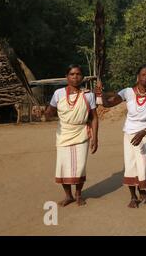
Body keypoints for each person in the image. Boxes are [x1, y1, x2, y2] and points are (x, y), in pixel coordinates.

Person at [96, 65, 146, 208]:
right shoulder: (127, 92)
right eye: (143, 75)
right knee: (131, 164)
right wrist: (101, 94)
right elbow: (109, 104)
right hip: (130, 133)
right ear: (137, 77)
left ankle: (141, 189)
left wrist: (144, 131)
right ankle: (133, 197)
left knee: (144, 163)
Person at [45, 64, 99, 207]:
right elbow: (49, 113)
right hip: (63, 133)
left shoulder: (88, 94)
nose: (75, 77)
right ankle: (68, 196)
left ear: (82, 77)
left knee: (79, 166)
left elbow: (94, 117)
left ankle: (78, 194)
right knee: (63, 166)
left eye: (78, 74)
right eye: (72, 74)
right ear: (66, 77)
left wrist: (95, 137)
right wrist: (41, 112)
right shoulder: (58, 94)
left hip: (82, 132)